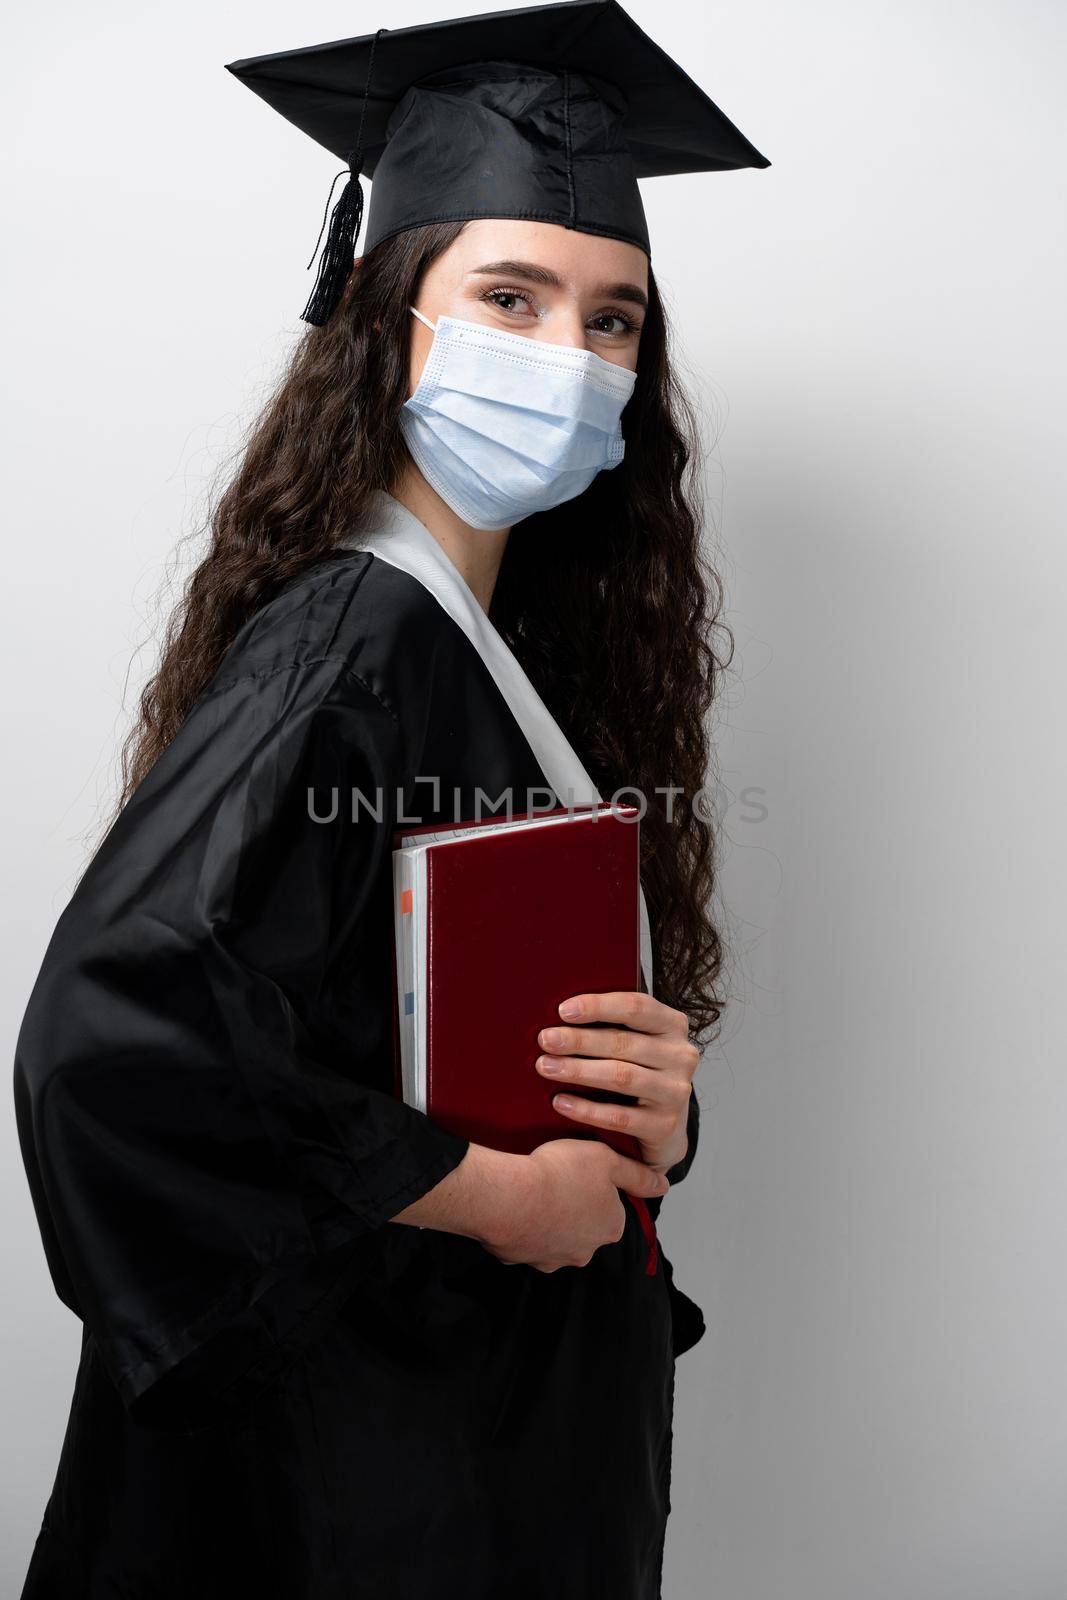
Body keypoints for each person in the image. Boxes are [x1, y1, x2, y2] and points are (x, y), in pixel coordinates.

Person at [13, 3, 769, 1595]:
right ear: (384, 314)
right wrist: (507, 1194)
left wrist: (638, 1100)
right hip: (360, 1477)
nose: (567, 360)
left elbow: (380, 1026)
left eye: (614, 319)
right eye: (510, 295)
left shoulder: (488, 645)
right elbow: (118, 1037)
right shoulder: (355, 637)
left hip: (473, 1430)